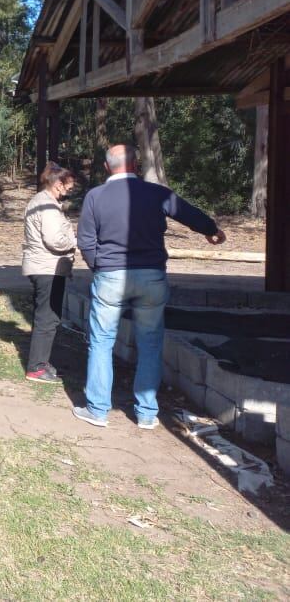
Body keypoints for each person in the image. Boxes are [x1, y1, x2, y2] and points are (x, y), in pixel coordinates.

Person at [73, 144, 226, 430]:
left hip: (110, 277)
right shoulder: (157, 193)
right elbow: (188, 213)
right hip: (151, 277)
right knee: (151, 344)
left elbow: (85, 240)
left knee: (101, 342)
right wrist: (212, 230)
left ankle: (98, 410)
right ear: (135, 165)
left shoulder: (95, 196)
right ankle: (145, 413)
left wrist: (100, 267)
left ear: (107, 167)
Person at [21, 162, 77, 384]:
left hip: (45, 267)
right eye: (69, 185)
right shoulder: (47, 206)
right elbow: (55, 240)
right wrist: (75, 240)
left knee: (48, 317)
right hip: (48, 268)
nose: (71, 190)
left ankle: (41, 362)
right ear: (58, 184)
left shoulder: (44, 202)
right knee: (47, 318)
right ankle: (36, 367)